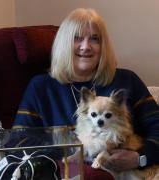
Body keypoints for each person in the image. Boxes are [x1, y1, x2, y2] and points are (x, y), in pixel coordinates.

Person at [13, 8, 159, 179]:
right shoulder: (40, 87)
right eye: (77, 38)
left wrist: (139, 158)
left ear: (103, 46)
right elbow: (19, 141)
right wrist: (68, 157)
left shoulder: (127, 80)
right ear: (64, 43)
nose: (86, 46)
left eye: (95, 39)